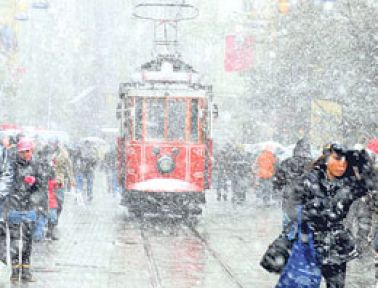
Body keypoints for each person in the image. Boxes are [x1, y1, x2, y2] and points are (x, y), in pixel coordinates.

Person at [292, 143, 373, 287]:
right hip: (315, 243)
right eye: (336, 159)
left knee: (335, 283)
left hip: (337, 245)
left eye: (343, 160)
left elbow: (369, 191)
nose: (341, 164)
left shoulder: (347, 179)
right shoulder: (311, 179)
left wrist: (363, 164)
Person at [8, 138, 44, 282]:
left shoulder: (35, 165)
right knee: (15, 240)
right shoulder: (11, 166)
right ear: (19, 152)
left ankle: (26, 270)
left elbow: (41, 186)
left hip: (30, 207)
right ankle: (15, 271)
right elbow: (6, 183)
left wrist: (35, 182)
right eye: (23, 152)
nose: (26, 154)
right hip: (14, 207)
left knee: (28, 240)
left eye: (28, 151)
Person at [273, 138, 313, 228]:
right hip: (308, 200)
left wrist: (277, 188)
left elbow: (278, 180)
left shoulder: (286, 163)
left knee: (289, 226)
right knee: (307, 228)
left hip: (290, 199)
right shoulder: (313, 164)